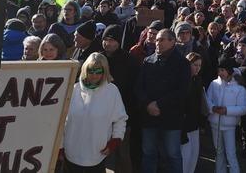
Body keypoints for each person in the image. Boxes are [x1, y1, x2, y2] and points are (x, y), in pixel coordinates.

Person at [62, 53, 128, 173]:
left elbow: (120, 119)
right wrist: (60, 146)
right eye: (91, 71)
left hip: (96, 154)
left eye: (98, 71)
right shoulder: (73, 89)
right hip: (71, 153)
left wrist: (115, 140)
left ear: (105, 72)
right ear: (85, 69)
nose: (94, 75)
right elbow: (60, 121)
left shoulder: (112, 91)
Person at [137, 29, 191, 173]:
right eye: (157, 40)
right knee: (148, 153)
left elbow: (182, 91)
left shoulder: (182, 64)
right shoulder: (148, 61)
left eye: (161, 39)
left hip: (171, 118)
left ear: (172, 41)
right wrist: (148, 104)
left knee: (173, 155)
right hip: (149, 117)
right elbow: (139, 88)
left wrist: (159, 104)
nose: (157, 42)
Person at [101, 24, 138, 173]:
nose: (107, 43)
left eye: (112, 40)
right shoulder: (98, 58)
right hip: (100, 115)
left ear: (118, 42)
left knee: (122, 154)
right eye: (105, 39)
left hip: (122, 115)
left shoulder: (130, 61)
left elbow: (134, 89)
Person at [206, 56, 246, 173]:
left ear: (229, 70)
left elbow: (244, 108)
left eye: (223, 70)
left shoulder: (239, 88)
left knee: (231, 153)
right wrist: (212, 108)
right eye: (219, 70)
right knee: (218, 152)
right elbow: (207, 100)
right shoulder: (214, 84)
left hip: (229, 126)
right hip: (215, 124)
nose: (220, 73)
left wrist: (226, 110)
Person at [181, 52, 208, 173]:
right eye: (195, 64)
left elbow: (199, 104)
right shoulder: (181, 81)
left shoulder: (198, 80)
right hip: (183, 125)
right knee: (184, 156)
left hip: (195, 123)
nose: (197, 68)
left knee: (194, 155)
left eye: (199, 65)